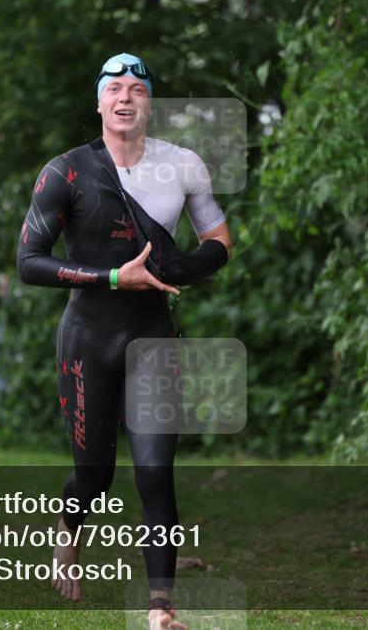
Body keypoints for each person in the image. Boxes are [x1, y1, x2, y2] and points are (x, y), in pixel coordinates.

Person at [17, 53, 232, 630]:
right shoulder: (65, 172)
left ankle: (160, 609)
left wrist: (177, 268)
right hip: (86, 339)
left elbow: (219, 241)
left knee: (156, 472)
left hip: (153, 337)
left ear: (149, 103)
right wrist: (114, 277)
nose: (125, 97)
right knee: (94, 478)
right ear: (99, 102)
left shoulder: (182, 165)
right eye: (114, 88)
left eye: (137, 89)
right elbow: (29, 262)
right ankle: (69, 532)